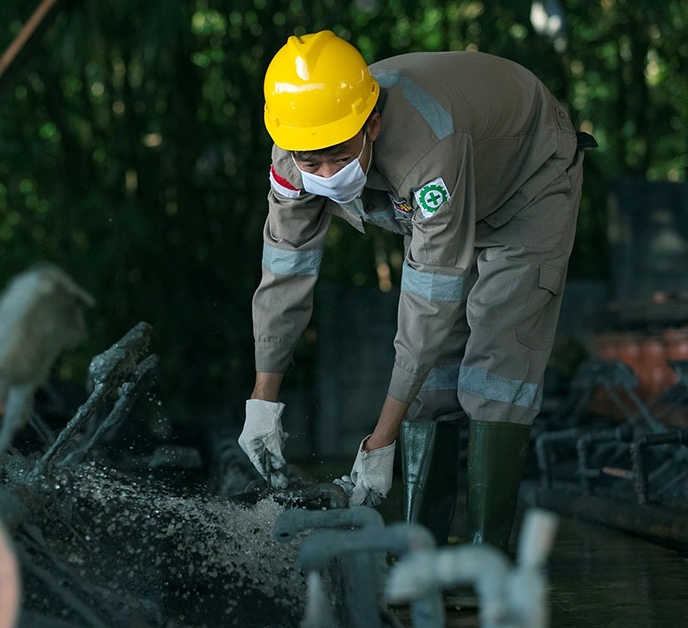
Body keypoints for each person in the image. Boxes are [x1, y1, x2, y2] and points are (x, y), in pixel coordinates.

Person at [237, 30, 590, 553]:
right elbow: (284, 273)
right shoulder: (297, 151)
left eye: (338, 156)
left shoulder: (428, 149)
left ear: (371, 124)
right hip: (454, 189)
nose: (326, 174)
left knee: (496, 361)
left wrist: (379, 444)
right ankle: (420, 550)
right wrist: (262, 402)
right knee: (434, 382)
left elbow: (429, 298)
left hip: (525, 184)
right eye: (312, 163)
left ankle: (481, 559)